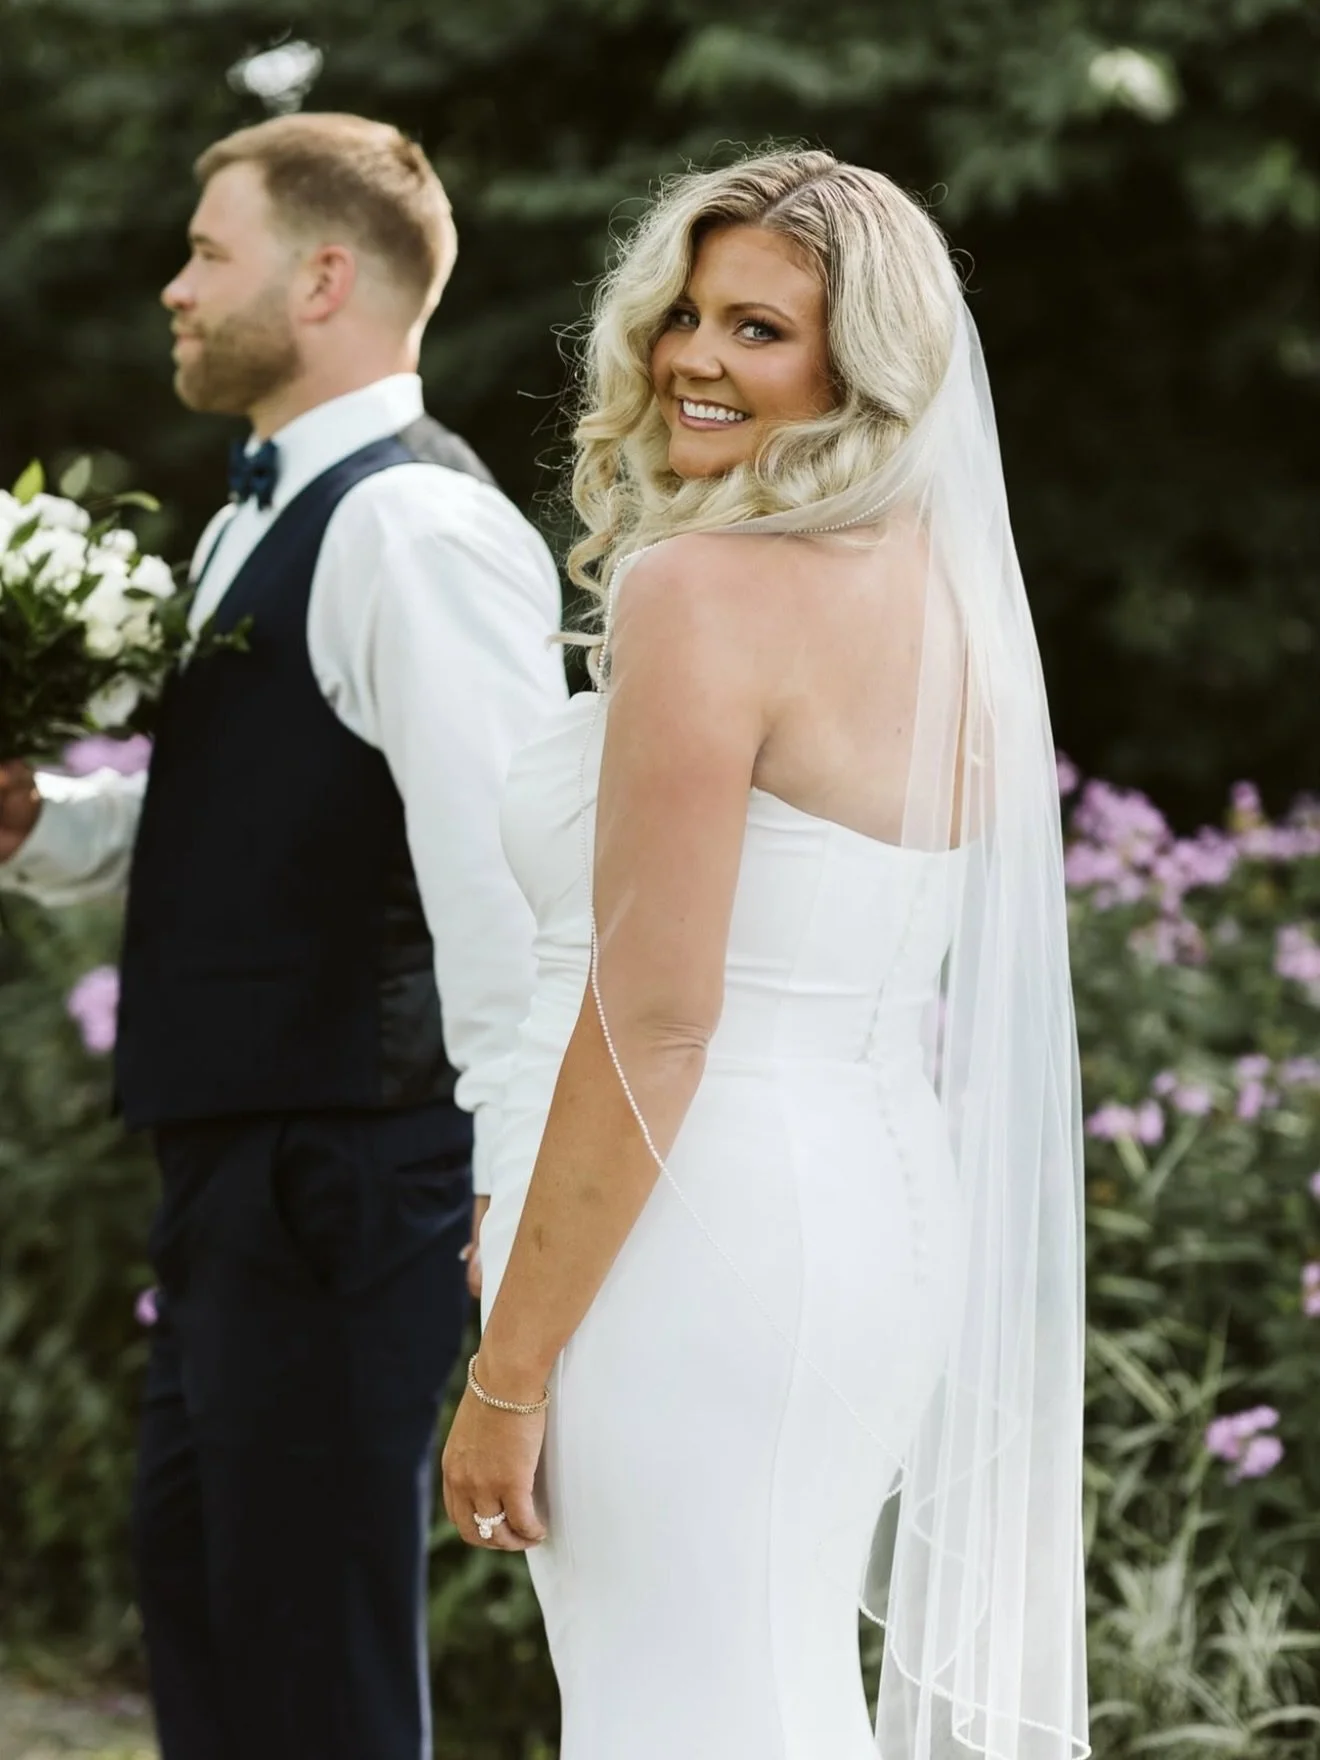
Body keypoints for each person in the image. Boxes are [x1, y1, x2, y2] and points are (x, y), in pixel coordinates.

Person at [440, 148, 1088, 1760]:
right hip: (866, 1221)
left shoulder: (704, 592)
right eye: (685, 314)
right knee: (767, 1697)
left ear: (855, 370)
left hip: (694, 1236)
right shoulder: (955, 612)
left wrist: (510, 1372)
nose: (695, 361)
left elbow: (658, 1012)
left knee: (679, 1712)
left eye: (759, 331)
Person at [0, 113, 566, 1760]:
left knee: (311, 1667)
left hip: (350, 1175)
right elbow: (271, 820)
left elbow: (506, 885)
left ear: (325, 277)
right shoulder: (258, 516)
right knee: (215, 1617)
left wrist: (500, 1208)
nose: (175, 289)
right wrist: (51, 830)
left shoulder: (416, 533)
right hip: (241, 1176)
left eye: (206, 253)